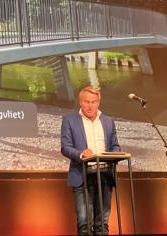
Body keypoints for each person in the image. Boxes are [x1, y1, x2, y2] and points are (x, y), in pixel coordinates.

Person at [60, 86, 122, 235]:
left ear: (98, 102)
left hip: (105, 176)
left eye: (93, 102)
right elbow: (65, 147)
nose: (90, 105)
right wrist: (81, 154)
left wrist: (113, 154)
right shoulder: (69, 120)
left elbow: (115, 146)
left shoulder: (108, 121)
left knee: (102, 225)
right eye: (86, 101)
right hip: (82, 176)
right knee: (84, 225)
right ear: (80, 102)